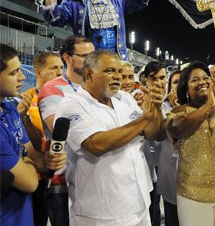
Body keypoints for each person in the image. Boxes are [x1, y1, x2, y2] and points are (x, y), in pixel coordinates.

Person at [55, 49, 165, 225]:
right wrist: (144, 119)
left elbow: (152, 134)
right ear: (89, 74)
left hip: (139, 203)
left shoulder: (125, 99)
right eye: (110, 71)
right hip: (101, 213)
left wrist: (156, 108)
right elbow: (96, 145)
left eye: (119, 71)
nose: (117, 77)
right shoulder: (71, 104)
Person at [166, 62, 215, 226]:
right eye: (194, 80)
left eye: (205, 78)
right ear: (186, 88)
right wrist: (209, 105)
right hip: (192, 195)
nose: (201, 82)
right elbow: (179, 129)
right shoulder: (178, 112)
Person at [1, 44, 66, 226]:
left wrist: (43, 161)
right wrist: (28, 160)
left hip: (23, 215)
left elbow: (33, 152)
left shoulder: (10, 110)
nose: (22, 77)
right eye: (14, 73)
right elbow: (30, 182)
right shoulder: (23, 101)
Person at [37, 35, 93, 226]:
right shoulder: (52, 89)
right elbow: (66, 132)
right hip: (62, 182)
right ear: (67, 58)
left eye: (93, 55)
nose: (91, 61)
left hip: (92, 178)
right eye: (85, 56)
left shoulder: (95, 87)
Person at [18, 51, 63, 225]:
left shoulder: (65, 98)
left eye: (61, 67)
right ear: (38, 72)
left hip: (59, 174)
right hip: (34, 177)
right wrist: (24, 117)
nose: (60, 72)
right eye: (54, 68)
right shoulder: (24, 100)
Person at [137, 61, 168, 226]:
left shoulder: (173, 97)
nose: (158, 82)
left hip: (168, 161)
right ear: (145, 80)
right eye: (153, 78)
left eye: (162, 77)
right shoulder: (139, 98)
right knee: (153, 204)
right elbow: (154, 136)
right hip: (150, 163)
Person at [158, 70, 182, 226]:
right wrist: (175, 109)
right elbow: (168, 135)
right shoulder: (162, 106)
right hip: (170, 167)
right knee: (172, 215)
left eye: (182, 81)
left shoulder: (198, 104)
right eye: (175, 82)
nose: (178, 85)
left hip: (195, 171)